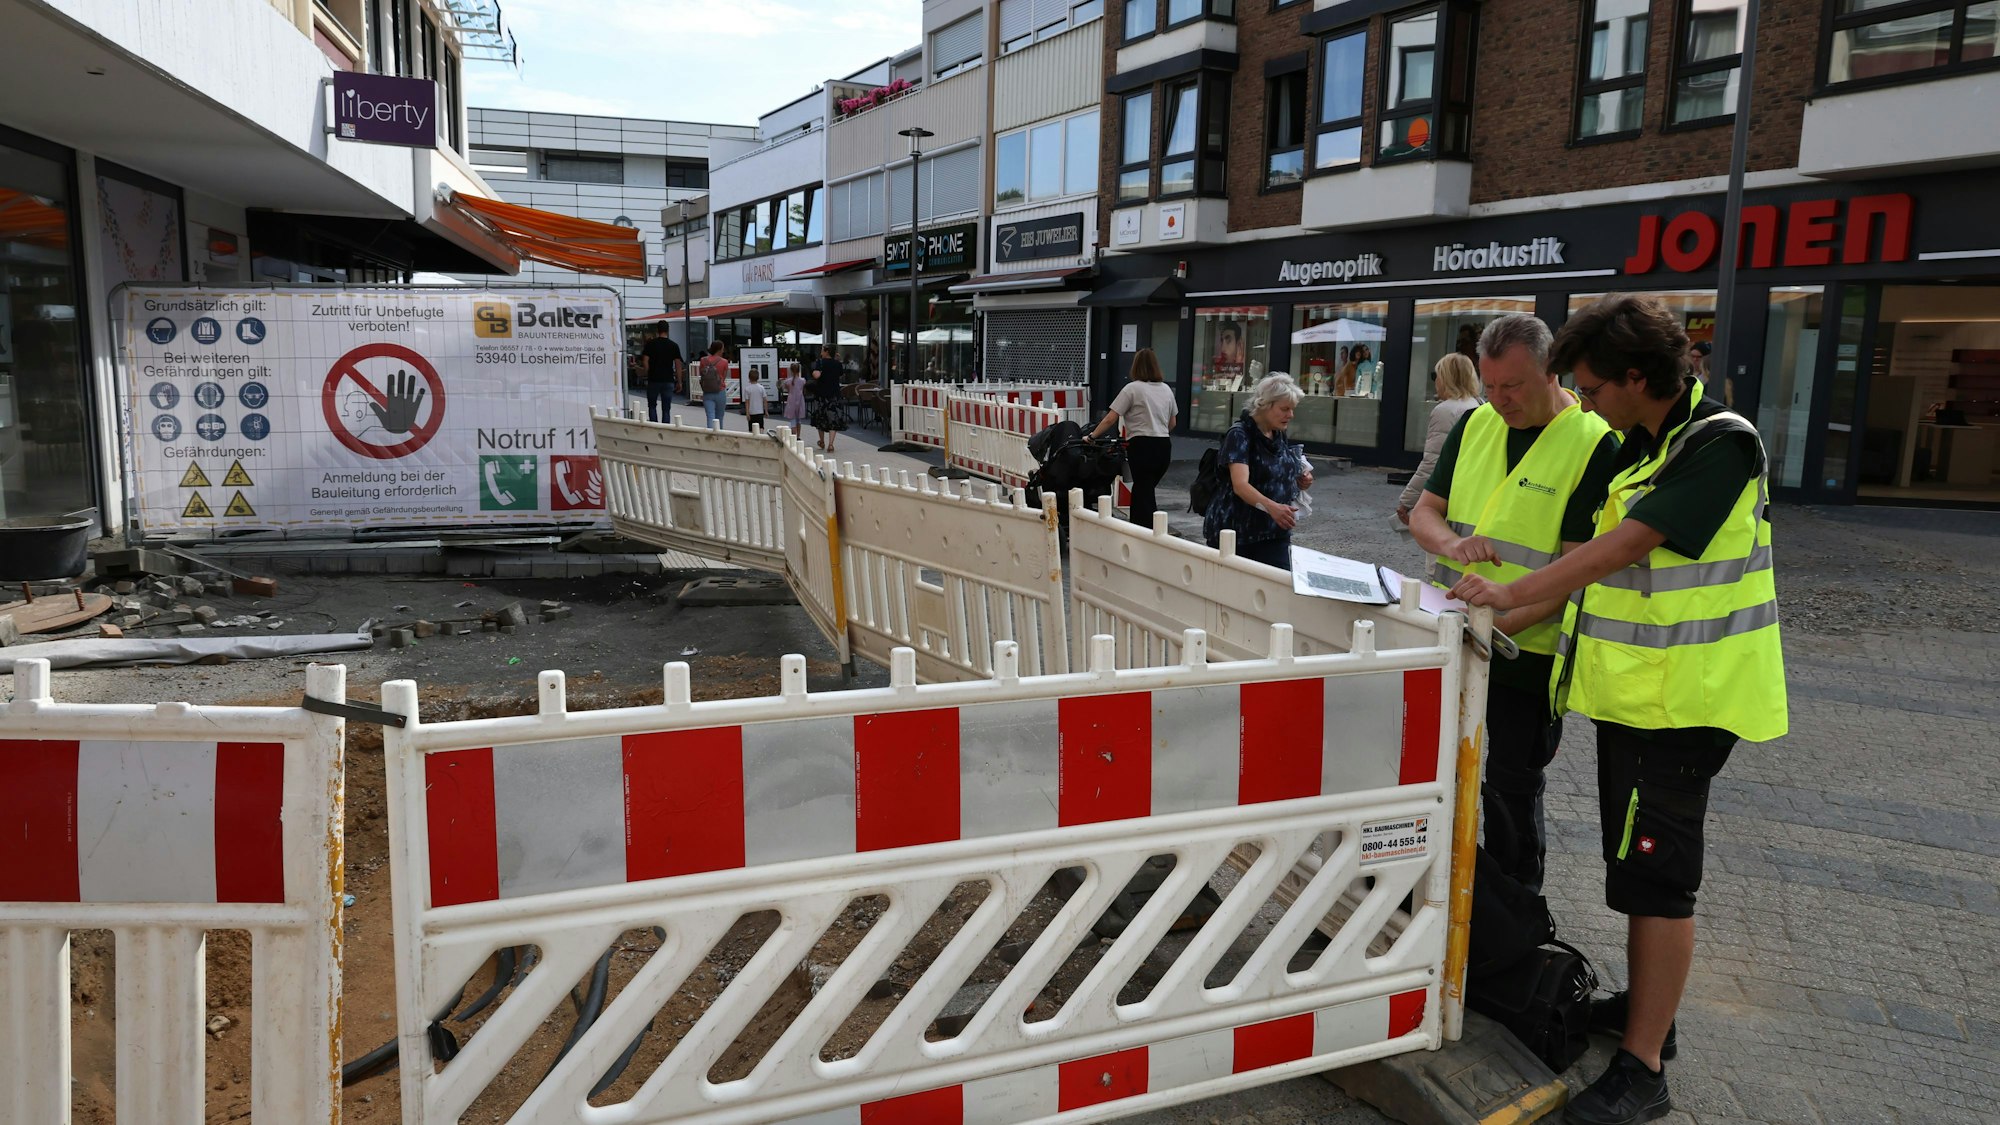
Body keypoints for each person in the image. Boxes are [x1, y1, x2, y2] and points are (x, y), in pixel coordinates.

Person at [1449, 294, 1786, 1125]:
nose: (1587, 405)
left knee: (1659, 882)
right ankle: (1649, 1017)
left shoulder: (1720, 446)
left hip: (1685, 708)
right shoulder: (1649, 443)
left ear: (1639, 376)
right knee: (1635, 872)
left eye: (1594, 389)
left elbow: (1620, 548)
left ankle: (1643, 1066)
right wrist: (1475, 623)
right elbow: (1603, 575)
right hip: (1636, 701)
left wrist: (1512, 592)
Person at [1409, 314, 1620, 899]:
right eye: (1491, 386)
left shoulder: (1595, 444)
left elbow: (1576, 575)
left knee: (1508, 792)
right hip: (1450, 639)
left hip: (1525, 657)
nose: (1499, 400)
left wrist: (1496, 628)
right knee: (1439, 781)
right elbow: (1424, 513)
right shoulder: (1475, 424)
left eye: (1513, 387)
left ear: (1551, 372)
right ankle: (1444, 907)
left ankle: (1515, 913)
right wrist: (1452, 544)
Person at [1203, 374, 1313, 571]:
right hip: (1237, 534)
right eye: (1284, 409)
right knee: (1235, 594)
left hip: (1273, 532)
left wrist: (1300, 480)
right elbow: (1240, 485)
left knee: (1278, 588)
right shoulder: (1239, 435)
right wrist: (1273, 508)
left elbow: (1278, 470)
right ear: (1265, 405)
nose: (1291, 415)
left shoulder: (1277, 433)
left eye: (1292, 409)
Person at [1088, 347, 1178, 529]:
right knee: (1146, 488)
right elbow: (1173, 422)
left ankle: (1146, 528)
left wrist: (1091, 436)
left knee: (1142, 488)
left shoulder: (1132, 389)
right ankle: (1149, 526)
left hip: (1142, 445)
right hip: (1163, 445)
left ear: (1136, 367)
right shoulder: (1166, 389)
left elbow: (1110, 418)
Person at [1395, 352, 1482, 533]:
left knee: (1438, 556)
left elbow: (1433, 463)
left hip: (1447, 497)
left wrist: (1407, 500)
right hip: (1472, 497)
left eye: (1437, 375)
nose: (1435, 381)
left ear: (1446, 379)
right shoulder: (1479, 406)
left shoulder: (1445, 411)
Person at [809, 345, 848, 453]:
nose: (821, 352)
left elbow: (816, 375)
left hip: (821, 394)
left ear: (826, 351)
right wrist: (837, 360)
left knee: (820, 417)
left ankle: (822, 441)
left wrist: (814, 372)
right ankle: (831, 444)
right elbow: (840, 374)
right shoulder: (838, 364)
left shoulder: (820, 362)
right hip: (834, 394)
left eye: (822, 350)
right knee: (833, 418)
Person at [639, 329, 683, 424]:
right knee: (666, 408)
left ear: (657, 331)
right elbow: (678, 364)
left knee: (652, 405)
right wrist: (679, 381)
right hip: (668, 379)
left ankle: (654, 426)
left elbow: (645, 360)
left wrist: (647, 371)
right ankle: (665, 429)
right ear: (667, 331)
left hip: (653, 379)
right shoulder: (673, 345)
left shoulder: (650, 344)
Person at [695, 341, 730, 429]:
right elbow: (723, 377)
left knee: (710, 416)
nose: (723, 351)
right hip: (720, 391)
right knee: (719, 417)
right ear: (719, 349)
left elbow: (702, 374)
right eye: (722, 349)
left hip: (707, 392)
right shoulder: (724, 362)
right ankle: (719, 436)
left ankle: (711, 436)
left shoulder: (703, 360)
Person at [781, 362, 809, 434]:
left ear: (790, 370)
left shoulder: (787, 381)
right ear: (799, 370)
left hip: (791, 400)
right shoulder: (803, 380)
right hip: (800, 400)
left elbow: (787, 389)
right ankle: (798, 436)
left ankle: (793, 435)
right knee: (798, 420)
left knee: (792, 420)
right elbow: (803, 389)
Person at [742, 366, 769, 432]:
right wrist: (766, 411)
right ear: (758, 377)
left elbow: (747, 402)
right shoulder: (761, 388)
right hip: (760, 412)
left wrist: (747, 413)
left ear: (749, 377)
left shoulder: (747, 388)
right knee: (761, 427)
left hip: (751, 412)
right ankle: (761, 438)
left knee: (751, 430)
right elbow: (765, 400)